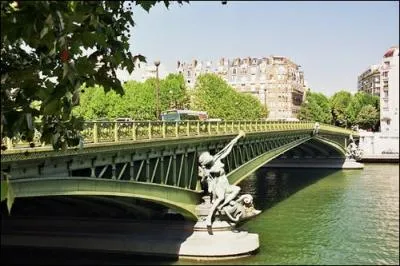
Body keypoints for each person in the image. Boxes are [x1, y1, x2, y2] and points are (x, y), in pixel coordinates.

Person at [198, 131, 245, 227]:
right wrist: (207, 173)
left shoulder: (217, 159)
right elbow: (204, 180)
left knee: (237, 189)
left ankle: (223, 205)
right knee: (220, 198)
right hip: (218, 184)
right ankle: (209, 217)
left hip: (225, 182)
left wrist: (235, 139)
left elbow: (226, 151)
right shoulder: (208, 169)